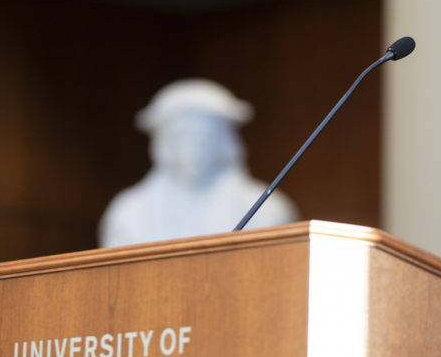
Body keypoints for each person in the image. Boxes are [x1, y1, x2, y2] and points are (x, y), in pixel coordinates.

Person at [99, 79, 297, 247]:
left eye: (203, 136)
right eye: (181, 136)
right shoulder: (128, 213)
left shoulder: (268, 210)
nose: (193, 148)